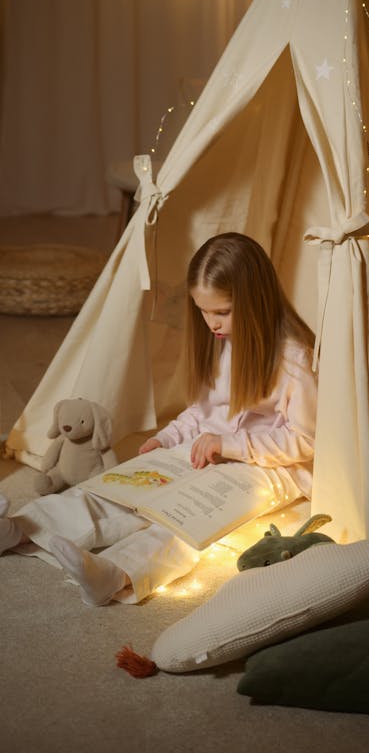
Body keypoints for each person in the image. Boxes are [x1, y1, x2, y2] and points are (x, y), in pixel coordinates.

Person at [0, 232, 317, 605]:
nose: (211, 323)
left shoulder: (294, 359)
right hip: (204, 449)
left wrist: (229, 444)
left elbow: (307, 440)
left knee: (186, 522)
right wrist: (166, 439)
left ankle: (117, 573)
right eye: (202, 310)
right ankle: (22, 528)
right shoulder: (221, 343)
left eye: (222, 312)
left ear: (256, 302)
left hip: (266, 470)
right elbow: (202, 411)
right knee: (119, 488)